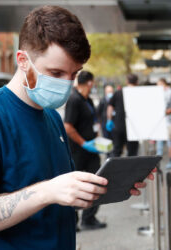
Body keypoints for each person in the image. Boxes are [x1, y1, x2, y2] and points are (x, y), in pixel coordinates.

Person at [0, 6, 152, 249]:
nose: (67, 84)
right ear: (23, 61)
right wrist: (46, 192)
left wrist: (103, 188)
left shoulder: (52, 117)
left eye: (74, 74)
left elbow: (63, 198)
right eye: (56, 73)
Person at [64, 71, 106, 231]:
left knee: (98, 181)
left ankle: (89, 218)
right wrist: (84, 143)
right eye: (93, 82)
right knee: (76, 185)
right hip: (78, 151)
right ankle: (72, 222)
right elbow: (68, 126)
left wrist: (97, 138)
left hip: (92, 151)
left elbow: (93, 121)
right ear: (89, 82)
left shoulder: (87, 99)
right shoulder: (74, 99)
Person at [106, 74, 139, 157]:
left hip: (118, 126)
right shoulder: (139, 93)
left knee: (117, 151)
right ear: (137, 82)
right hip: (134, 128)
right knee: (132, 153)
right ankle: (131, 169)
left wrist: (109, 120)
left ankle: (115, 169)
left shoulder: (118, 92)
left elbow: (110, 107)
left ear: (127, 81)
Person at [156, 78, 171, 156]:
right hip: (160, 117)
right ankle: (159, 153)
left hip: (169, 117)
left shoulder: (170, 92)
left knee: (169, 136)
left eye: (159, 84)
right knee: (159, 136)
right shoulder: (157, 92)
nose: (158, 86)